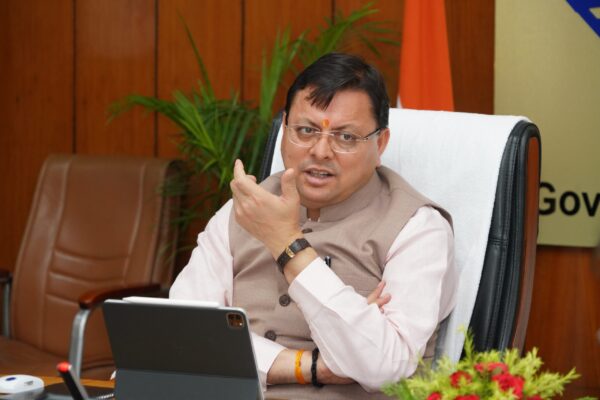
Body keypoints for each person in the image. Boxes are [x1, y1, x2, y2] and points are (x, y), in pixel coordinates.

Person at [170, 53, 457, 399]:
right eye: (306, 131)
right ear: (284, 129)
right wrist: (312, 365)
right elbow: (181, 335)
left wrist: (288, 244)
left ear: (380, 144)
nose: (321, 151)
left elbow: (384, 366)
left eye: (345, 137)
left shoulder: (417, 228)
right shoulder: (246, 208)